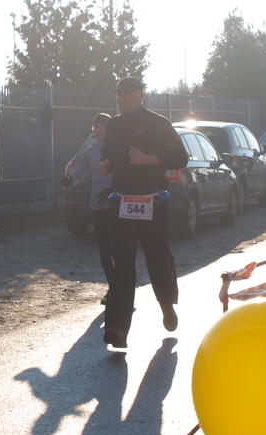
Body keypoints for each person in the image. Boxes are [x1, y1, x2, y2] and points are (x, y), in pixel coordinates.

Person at [100, 77, 188, 348]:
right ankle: (118, 327)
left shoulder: (158, 123)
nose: (122, 98)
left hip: (153, 201)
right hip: (122, 202)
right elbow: (108, 152)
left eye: (128, 94)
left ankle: (167, 306)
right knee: (122, 265)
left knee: (157, 260)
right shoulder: (113, 125)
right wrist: (107, 164)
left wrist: (150, 159)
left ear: (140, 95)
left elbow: (181, 157)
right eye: (119, 94)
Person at [64, 113, 114, 303]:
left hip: (118, 203)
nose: (99, 130)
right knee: (104, 248)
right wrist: (70, 179)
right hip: (98, 203)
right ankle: (112, 288)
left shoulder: (117, 148)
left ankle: (125, 289)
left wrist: (113, 188)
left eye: (102, 126)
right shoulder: (91, 150)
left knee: (120, 248)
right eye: (96, 126)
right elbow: (79, 169)